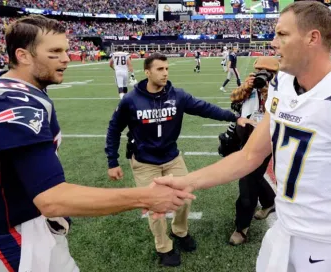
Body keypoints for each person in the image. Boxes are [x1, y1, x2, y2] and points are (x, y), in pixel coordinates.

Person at [153, 2, 331, 272]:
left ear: (312, 38)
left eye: (282, 34)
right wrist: (185, 183)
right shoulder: (282, 84)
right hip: (282, 234)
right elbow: (250, 155)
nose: (273, 42)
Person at [0, 15, 195, 272]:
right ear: (23, 55)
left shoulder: (1, 84)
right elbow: (51, 199)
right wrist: (146, 197)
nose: (65, 58)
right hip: (9, 235)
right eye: (54, 52)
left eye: (65, 49)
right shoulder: (14, 102)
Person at [104, 53, 253, 267]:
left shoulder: (177, 96)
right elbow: (113, 130)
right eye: (159, 69)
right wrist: (112, 161)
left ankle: (179, 230)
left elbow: (205, 108)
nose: (165, 73)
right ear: (147, 72)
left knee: (184, 197)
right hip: (145, 162)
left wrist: (234, 117)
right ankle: (163, 246)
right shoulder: (131, 100)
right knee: (155, 208)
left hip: (171, 157)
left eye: (166, 69)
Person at [219, 56, 278, 246]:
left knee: (247, 179)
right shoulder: (249, 84)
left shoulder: (281, 88)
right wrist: (247, 87)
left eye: (266, 71)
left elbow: (279, 108)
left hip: (266, 136)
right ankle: (269, 201)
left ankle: (241, 227)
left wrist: (267, 90)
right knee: (253, 174)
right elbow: (233, 98)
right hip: (246, 133)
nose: (262, 74)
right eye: (259, 69)